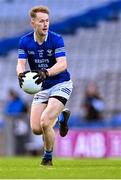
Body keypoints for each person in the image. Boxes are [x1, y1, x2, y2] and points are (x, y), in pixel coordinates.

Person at [16, 6, 73, 166]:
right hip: (42, 87)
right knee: (36, 129)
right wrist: (21, 74)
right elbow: (20, 64)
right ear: (33, 23)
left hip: (61, 83)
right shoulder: (25, 41)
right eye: (41, 21)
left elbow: (62, 64)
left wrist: (46, 73)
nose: (45, 24)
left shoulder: (56, 39)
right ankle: (61, 117)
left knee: (45, 122)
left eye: (47, 21)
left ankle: (47, 158)